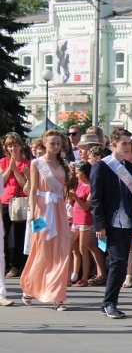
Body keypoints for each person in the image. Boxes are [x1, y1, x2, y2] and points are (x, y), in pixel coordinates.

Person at [91, 129, 132, 319]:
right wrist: (99, 224)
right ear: (114, 145)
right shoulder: (102, 166)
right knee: (118, 262)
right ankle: (110, 303)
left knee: (121, 262)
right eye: (124, 143)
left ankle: (108, 302)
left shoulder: (131, 168)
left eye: (129, 143)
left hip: (127, 221)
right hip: (111, 222)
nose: (127, 147)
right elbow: (96, 199)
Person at [20, 130, 72, 311]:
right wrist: (32, 212)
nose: (56, 146)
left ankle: (58, 296)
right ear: (44, 143)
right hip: (41, 211)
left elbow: (65, 190)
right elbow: (33, 189)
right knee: (42, 252)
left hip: (58, 210)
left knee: (62, 251)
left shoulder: (63, 164)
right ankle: (30, 286)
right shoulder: (37, 163)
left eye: (59, 143)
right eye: (53, 143)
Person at [1, 132, 30, 278]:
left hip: (20, 202)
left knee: (20, 235)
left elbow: (25, 185)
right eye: (10, 146)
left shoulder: (27, 164)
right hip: (5, 201)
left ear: (20, 146)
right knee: (3, 234)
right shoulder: (3, 162)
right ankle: (4, 264)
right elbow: (2, 181)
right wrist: (9, 168)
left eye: (15, 145)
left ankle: (17, 265)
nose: (13, 148)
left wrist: (17, 171)